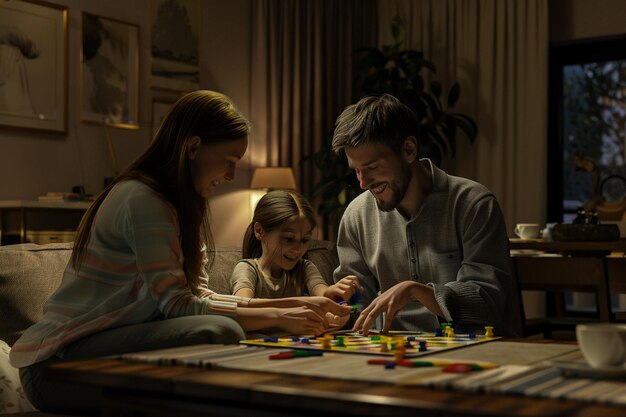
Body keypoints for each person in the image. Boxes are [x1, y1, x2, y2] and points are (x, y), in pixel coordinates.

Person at [9, 90, 350, 414]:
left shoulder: (182, 206)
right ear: (193, 147)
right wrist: (279, 315)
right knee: (221, 332)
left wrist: (298, 304)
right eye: (229, 161)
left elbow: (197, 294)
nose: (231, 175)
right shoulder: (141, 198)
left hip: (104, 349)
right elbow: (176, 306)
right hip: (56, 367)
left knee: (249, 337)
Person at [331, 93, 513, 336]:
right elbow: (354, 306)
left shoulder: (473, 204)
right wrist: (336, 309)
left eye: (373, 167)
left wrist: (416, 291)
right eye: (356, 171)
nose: (363, 183)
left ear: (408, 149)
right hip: (387, 353)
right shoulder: (355, 216)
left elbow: (488, 302)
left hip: (471, 349)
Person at [231, 190, 360, 319]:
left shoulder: (305, 268)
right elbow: (241, 307)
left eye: (305, 240)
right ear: (259, 231)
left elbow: (323, 296)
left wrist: (333, 297)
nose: (298, 249)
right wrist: (299, 304)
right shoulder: (247, 269)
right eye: (288, 239)